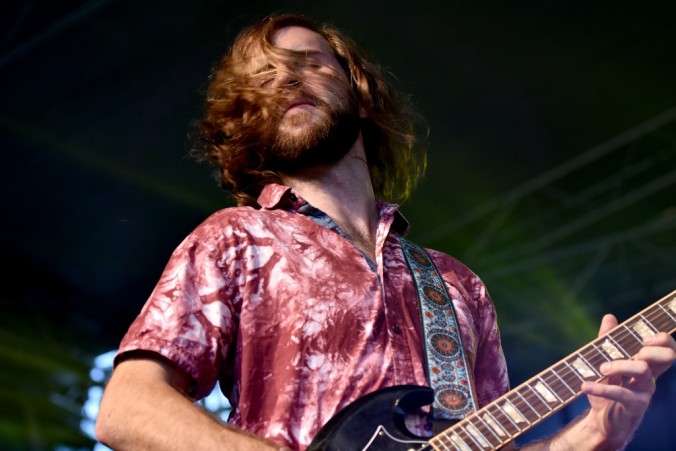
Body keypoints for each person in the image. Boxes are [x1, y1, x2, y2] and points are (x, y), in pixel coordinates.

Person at [95, 13, 676, 451]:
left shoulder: (457, 284)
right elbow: (127, 407)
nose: (286, 78)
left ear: (362, 97)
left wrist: (596, 432)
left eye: (310, 63)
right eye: (264, 77)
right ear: (249, 119)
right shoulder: (235, 239)